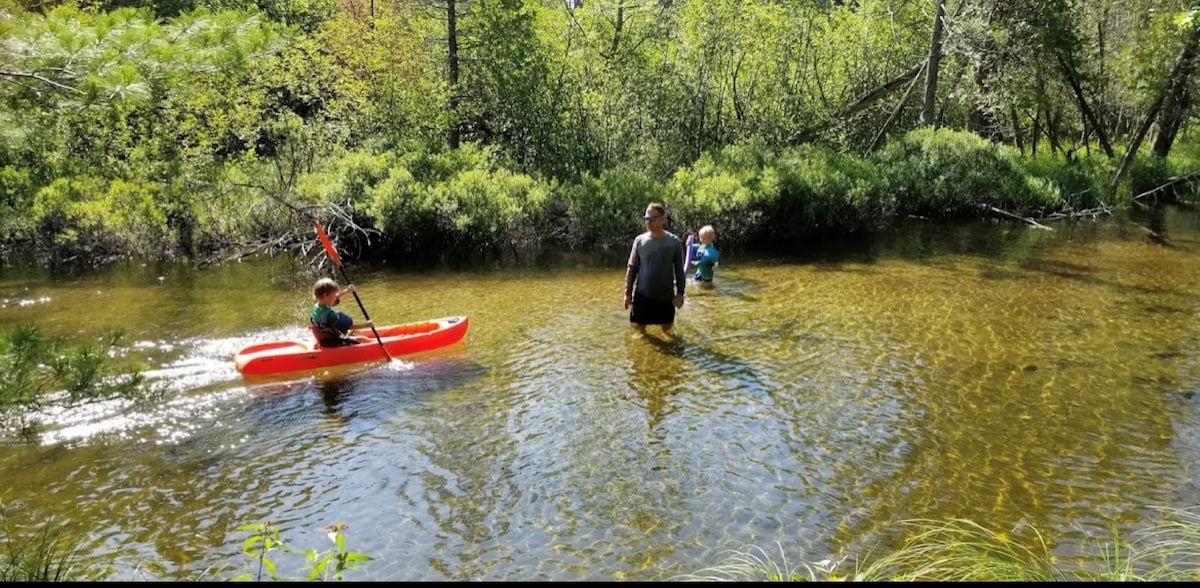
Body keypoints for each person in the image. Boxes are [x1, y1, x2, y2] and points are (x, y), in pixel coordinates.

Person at [623, 202, 687, 335]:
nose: (648, 222)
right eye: (646, 218)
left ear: (663, 219)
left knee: (668, 332)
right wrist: (628, 293)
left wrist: (680, 293)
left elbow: (679, 270)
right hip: (642, 295)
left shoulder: (673, 242)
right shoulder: (639, 241)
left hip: (665, 297)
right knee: (638, 331)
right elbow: (632, 268)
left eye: (652, 218)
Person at [309, 277, 373, 347]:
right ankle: (374, 344)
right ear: (325, 296)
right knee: (363, 339)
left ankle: (318, 343)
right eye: (334, 295)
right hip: (333, 342)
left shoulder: (317, 306)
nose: (336, 296)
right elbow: (349, 326)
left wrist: (347, 291)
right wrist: (366, 325)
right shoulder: (331, 315)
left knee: (354, 332)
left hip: (323, 339)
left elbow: (335, 299)